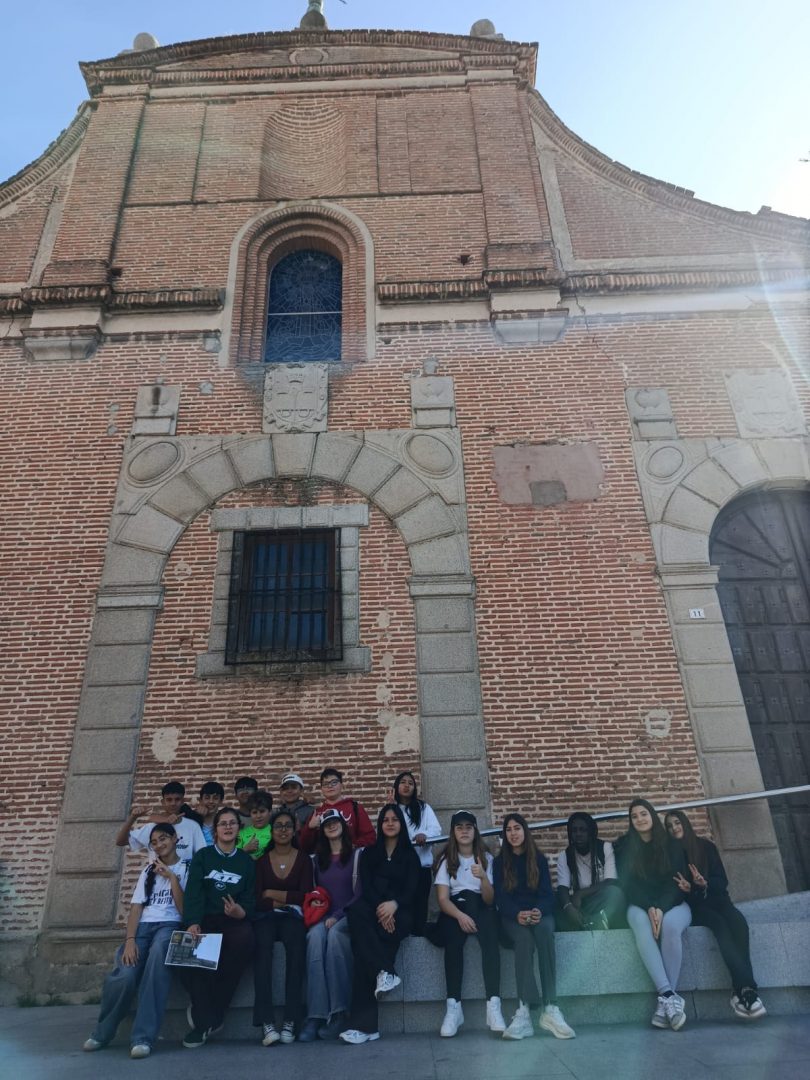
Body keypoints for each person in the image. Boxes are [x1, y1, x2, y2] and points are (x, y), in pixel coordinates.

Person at [83, 824, 188, 1059]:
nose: (159, 845)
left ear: (175, 838)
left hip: (170, 925)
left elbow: (184, 910)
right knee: (125, 975)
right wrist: (130, 940)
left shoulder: (187, 867)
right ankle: (102, 1032)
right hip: (142, 929)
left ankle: (143, 1037)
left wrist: (172, 878)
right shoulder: (148, 871)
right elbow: (136, 908)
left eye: (163, 838)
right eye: (154, 842)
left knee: (157, 961)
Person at [664, 809, 766, 1020]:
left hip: (719, 900)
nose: (674, 828)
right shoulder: (671, 855)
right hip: (697, 907)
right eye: (670, 826)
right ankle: (747, 989)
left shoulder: (706, 847)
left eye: (677, 823)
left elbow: (722, 881)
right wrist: (690, 889)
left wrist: (704, 883)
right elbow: (675, 891)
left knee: (739, 923)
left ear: (685, 823)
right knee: (720, 926)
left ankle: (741, 988)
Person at [339, 804, 421, 1044]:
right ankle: (387, 970)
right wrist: (381, 909)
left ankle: (365, 1028)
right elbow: (366, 886)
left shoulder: (410, 856)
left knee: (362, 953)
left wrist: (394, 905)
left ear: (401, 824)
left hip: (401, 913)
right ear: (380, 824)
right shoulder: (370, 853)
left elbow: (412, 890)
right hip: (374, 910)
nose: (390, 823)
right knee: (355, 911)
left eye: (395, 819)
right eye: (386, 819)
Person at [494, 813, 575, 1040]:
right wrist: (517, 914)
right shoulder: (499, 862)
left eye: (517, 828)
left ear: (525, 830)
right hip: (512, 917)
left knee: (545, 932)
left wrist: (539, 910)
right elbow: (501, 898)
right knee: (524, 940)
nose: (513, 833)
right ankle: (524, 1012)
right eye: (508, 830)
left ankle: (551, 1008)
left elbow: (548, 894)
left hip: (540, 914)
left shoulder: (538, 859)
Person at [181, 806, 256, 1048]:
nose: (227, 827)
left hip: (233, 921)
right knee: (191, 957)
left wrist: (240, 911)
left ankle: (209, 1016)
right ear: (215, 830)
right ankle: (206, 1018)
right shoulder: (203, 857)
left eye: (232, 823)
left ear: (238, 828)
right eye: (223, 823)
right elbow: (193, 892)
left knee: (244, 941)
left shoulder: (246, 862)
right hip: (205, 919)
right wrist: (193, 921)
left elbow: (250, 897)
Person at [428, 810, 506, 1038]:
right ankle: (453, 1007)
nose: (464, 831)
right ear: (453, 832)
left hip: (481, 906)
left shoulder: (486, 858)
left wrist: (483, 877)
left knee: (490, 937)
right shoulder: (446, 861)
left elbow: (490, 900)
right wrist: (460, 917)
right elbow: (443, 899)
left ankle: (494, 1006)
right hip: (455, 908)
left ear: (475, 831)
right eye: (459, 827)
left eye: (468, 827)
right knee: (452, 940)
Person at [619, 798, 692, 1032]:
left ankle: (665, 1003)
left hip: (674, 904)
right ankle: (669, 996)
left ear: (651, 815)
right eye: (634, 816)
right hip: (640, 905)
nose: (639, 819)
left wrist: (661, 907)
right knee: (640, 923)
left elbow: (676, 883)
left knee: (670, 926)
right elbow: (628, 885)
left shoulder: (671, 844)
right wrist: (650, 907)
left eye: (643, 813)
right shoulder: (625, 846)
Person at [299, 808, 362, 1042]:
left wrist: (337, 915)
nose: (331, 826)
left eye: (335, 822)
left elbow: (359, 894)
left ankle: (339, 1013)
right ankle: (315, 1016)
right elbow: (313, 893)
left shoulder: (357, 856)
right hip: (322, 917)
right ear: (322, 831)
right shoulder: (317, 861)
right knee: (315, 938)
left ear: (343, 826)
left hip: (348, 916)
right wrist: (317, 906)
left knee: (335, 937)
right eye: (327, 824)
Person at [253, 808, 313, 1045]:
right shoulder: (261, 862)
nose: (283, 830)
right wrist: (285, 899)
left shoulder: (304, 860)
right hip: (266, 917)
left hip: (293, 918)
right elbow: (257, 899)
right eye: (278, 826)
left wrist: (272, 892)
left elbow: (305, 895)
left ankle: (291, 1020)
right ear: (271, 830)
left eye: (288, 825)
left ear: (294, 829)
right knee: (262, 952)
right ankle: (266, 1022)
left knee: (297, 952)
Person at [556, 812, 625, 930]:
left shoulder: (605, 848)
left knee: (615, 893)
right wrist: (568, 907)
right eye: (574, 830)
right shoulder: (565, 855)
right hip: (579, 904)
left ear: (591, 832)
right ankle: (588, 923)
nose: (578, 834)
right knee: (556, 901)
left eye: (583, 830)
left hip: (599, 898)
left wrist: (581, 894)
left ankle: (593, 923)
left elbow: (610, 881)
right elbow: (562, 887)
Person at [392, 770, 442, 934]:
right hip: (400, 868)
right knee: (403, 908)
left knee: (420, 907)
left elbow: (436, 829)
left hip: (421, 867)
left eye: (410, 783)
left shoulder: (423, 808)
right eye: (403, 782)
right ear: (396, 786)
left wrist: (424, 835)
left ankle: (419, 938)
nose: (407, 786)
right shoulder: (392, 810)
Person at [116, 781, 206, 863]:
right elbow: (120, 842)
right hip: (157, 874)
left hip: (186, 875)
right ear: (163, 802)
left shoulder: (193, 826)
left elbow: (202, 855)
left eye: (177, 799)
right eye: (169, 800)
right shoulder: (152, 827)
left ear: (182, 801)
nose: (173, 803)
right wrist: (132, 817)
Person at [298, 768, 376, 852]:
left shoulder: (355, 808)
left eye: (334, 782)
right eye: (325, 784)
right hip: (324, 859)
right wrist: (309, 828)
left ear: (342, 785)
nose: (330, 786)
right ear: (321, 789)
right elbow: (304, 846)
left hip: (351, 856)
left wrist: (352, 847)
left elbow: (370, 837)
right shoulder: (316, 813)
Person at [237, 790, 273, 860]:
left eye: (262, 811)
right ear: (250, 814)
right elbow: (233, 858)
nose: (258, 816)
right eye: (254, 812)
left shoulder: (275, 831)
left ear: (270, 812)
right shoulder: (242, 833)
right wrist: (245, 849)